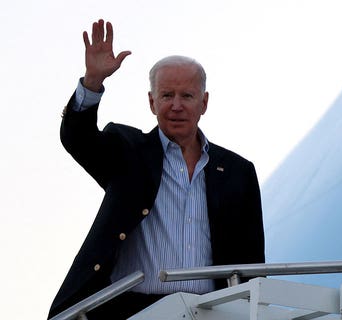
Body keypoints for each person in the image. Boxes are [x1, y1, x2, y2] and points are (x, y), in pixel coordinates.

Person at [48, 19, 265, 319]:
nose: (176, 105)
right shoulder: (127, 150)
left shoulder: (238, 172)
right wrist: (93, 83)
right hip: (132, 310)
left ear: (204, 103)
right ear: (152, 102)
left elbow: (253, 265)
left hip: (212, 312)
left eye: (187, 96)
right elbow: (77, 138)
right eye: (167, 95)